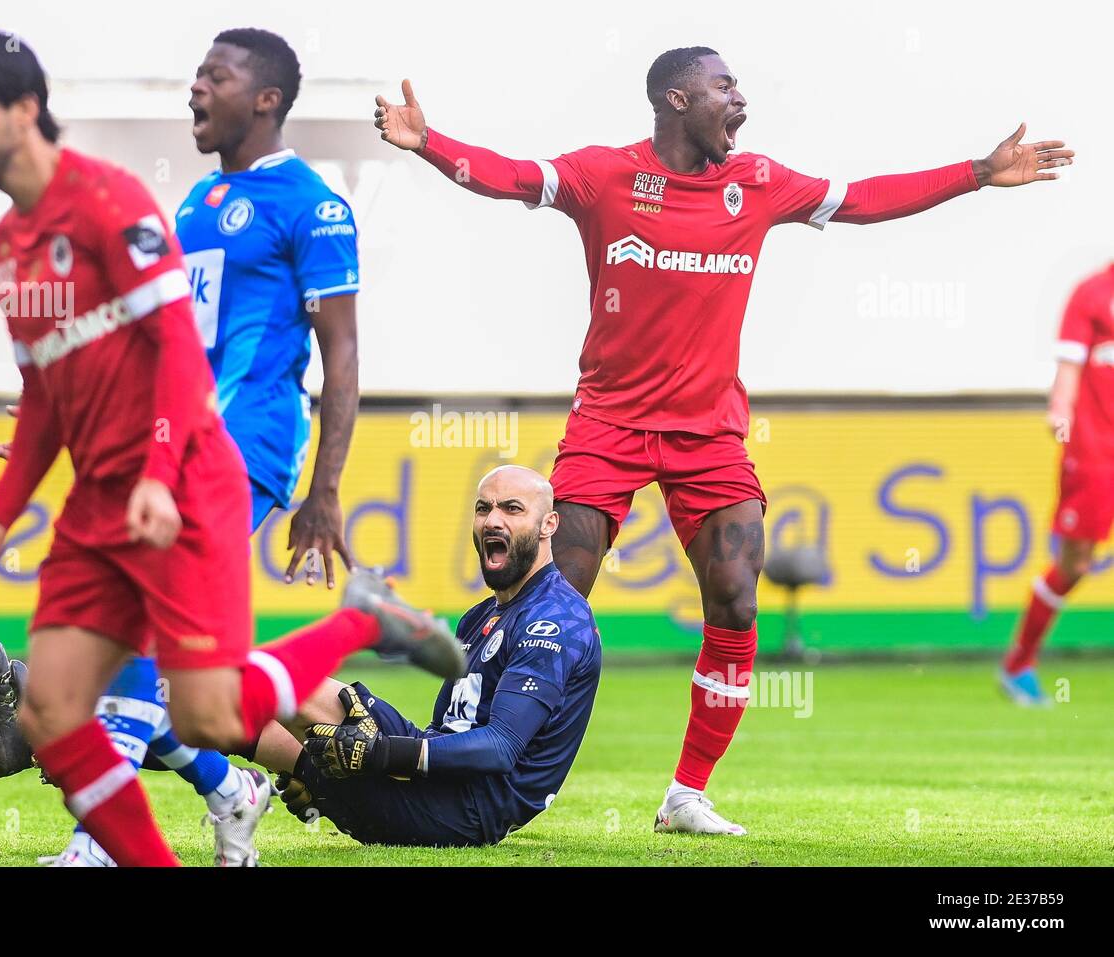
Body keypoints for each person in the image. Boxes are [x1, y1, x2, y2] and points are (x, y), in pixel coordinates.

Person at [372, 46, 1074, 835]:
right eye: (725, 86)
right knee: (545, 606)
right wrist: (428, 142)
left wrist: (977, 172)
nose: (740, 98)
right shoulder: (606, 177)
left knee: (738, 598)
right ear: (678, 100)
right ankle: (469, 758)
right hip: (608, 427)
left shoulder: (758, 183)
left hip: (709, 435)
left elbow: (865, 199)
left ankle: (687, 794)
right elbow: (509, 176)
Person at [0, 29, 463, 867]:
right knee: (192, 703)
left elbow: (342, 355)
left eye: (213, 76)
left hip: (241, 441)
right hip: (160, 443)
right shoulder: (188, 210)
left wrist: (323, 489)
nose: (194, 89)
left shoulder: (311, 204)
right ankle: (237, 774)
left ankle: (98, 841)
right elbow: (142, 350)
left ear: (265, 98)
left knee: (143, 668)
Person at [245, 466, 601, 847]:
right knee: (230, 696)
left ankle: (235, 787)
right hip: (427, 780)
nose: (492, 520)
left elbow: (500, 748)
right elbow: (440, 731)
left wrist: (379, 754)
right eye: (483, 509)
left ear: (548, 524)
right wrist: (316, 771)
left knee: (261, 684)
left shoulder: (554, 619)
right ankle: (269, 780)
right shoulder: (480, 615)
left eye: (512, 509)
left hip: (465, 810)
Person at [1001, 263, 1114, 705]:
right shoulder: (1092, 294)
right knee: (1076, 562)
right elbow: (1068, 372)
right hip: (1094, 452)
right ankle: (1019, 663)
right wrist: (1061, 411)